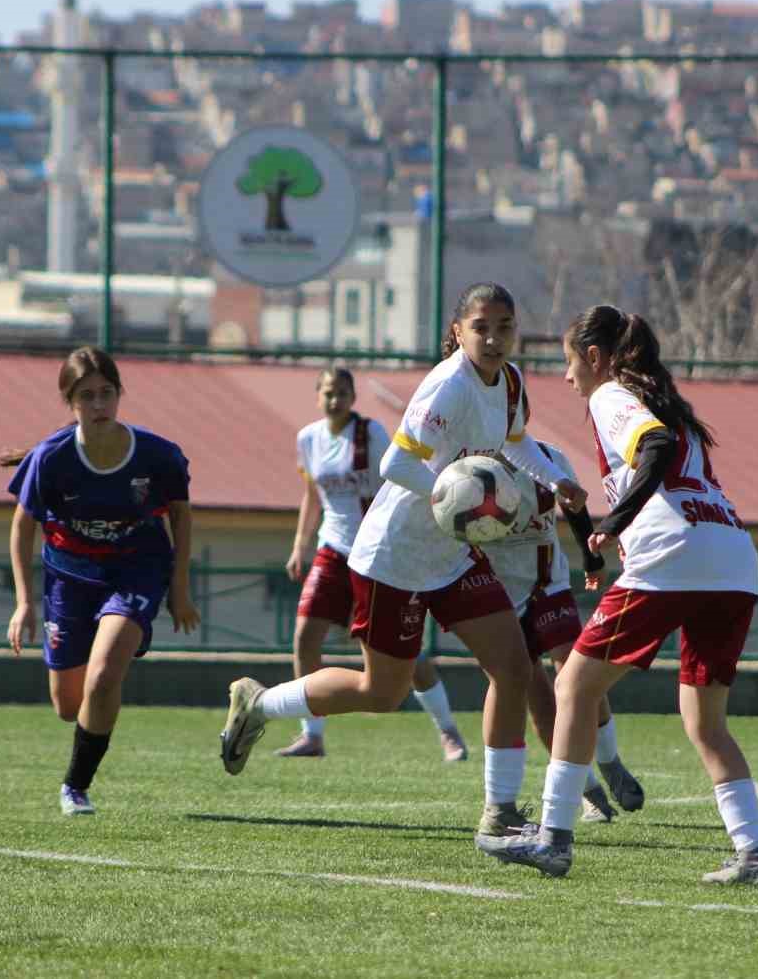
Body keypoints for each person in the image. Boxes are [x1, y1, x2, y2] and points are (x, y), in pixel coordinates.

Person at [219, 283, 588, 845]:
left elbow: (515, 442)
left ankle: (500, 812)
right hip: (394, 556)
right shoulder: (448, 386)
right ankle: (261, 702)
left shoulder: (511, 382)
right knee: (381, 693)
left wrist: (556, 479)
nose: (493, 338)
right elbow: (395, 462)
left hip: (453, 553)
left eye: (505, 327)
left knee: (513, 668)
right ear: (458, 332)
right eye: (481, 327)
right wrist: (455, 493)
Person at [477, 306, 758, 885]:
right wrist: (604, 546)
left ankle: (554, 839)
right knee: (706, 723)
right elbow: (669, 456)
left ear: (595, 357)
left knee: (573, 686)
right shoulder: (670, 402)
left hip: (675, 556)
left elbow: (654, 447)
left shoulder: (610, 395)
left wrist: (614, 524)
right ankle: (754, 855)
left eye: (569, 362)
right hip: (734, 560)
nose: (568, 376)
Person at [4, 346, 201, 816]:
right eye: (86, 396)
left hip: (137, 569)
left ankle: (75, 786)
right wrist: (24, 602)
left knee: (104, 675)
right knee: (68, 706)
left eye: (106, 393)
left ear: (119, 395)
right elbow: (22, 527)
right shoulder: (51, 458)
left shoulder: (157, 455)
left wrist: (179, 588)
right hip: (70, 576)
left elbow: (181, 515)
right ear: (69, 402)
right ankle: (91, 726)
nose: (98, 405)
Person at [279, 366, 468, 762]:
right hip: (333, 549)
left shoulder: (372, 434)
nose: (335, 400)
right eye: (328, 392)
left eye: (342, 392)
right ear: (317, 396)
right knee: (305, 636)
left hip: (376, 555)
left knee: (404, 655)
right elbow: (312, 495)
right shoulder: (308, 438)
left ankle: (448, 730)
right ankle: (312, 735)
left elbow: (399, 482)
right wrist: (300, 544)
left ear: (353, 397)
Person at [484, 436, 645, 823]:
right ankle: (588, 791)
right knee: (535, 696)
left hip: (548, 584)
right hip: (497, 596)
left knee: (575, 672)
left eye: (515, 409)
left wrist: (591, 561)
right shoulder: (469, 461)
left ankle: (610, 762)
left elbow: (575, 508)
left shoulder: (548, 457)